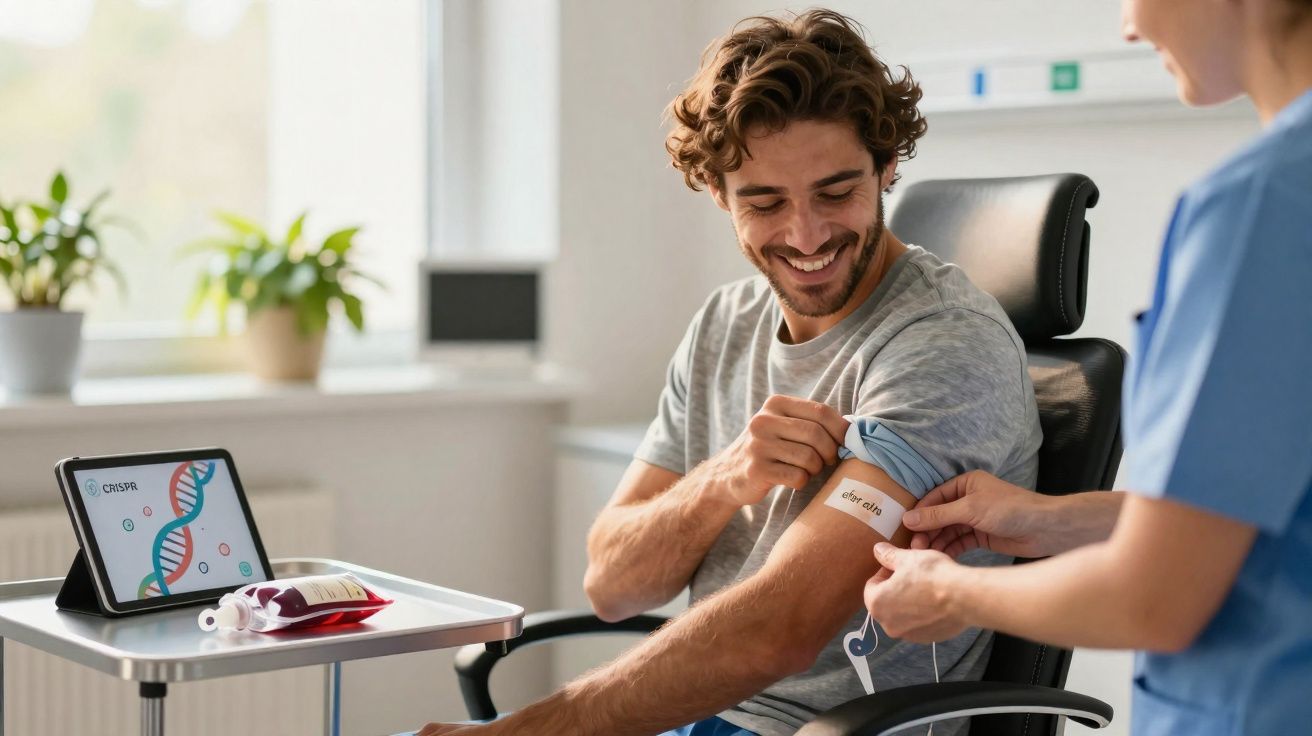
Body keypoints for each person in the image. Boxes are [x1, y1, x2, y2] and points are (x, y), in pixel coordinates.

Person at [412, 9, 1043, 736]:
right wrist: (723, 480)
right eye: (766, 202)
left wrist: (520, 734)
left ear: (887, 164)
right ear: (717, 192)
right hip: (696, 715)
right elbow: (613, 585)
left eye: (836, 192)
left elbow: (779, 631)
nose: (806, 236)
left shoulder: (942, 345)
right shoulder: (726, 322)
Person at [862, 0, 1312, 733]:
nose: (1130, 28)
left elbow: (1154, 598)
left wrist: (952, 595)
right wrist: (1047, 520)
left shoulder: (1263, 208)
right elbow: (1272, 516)